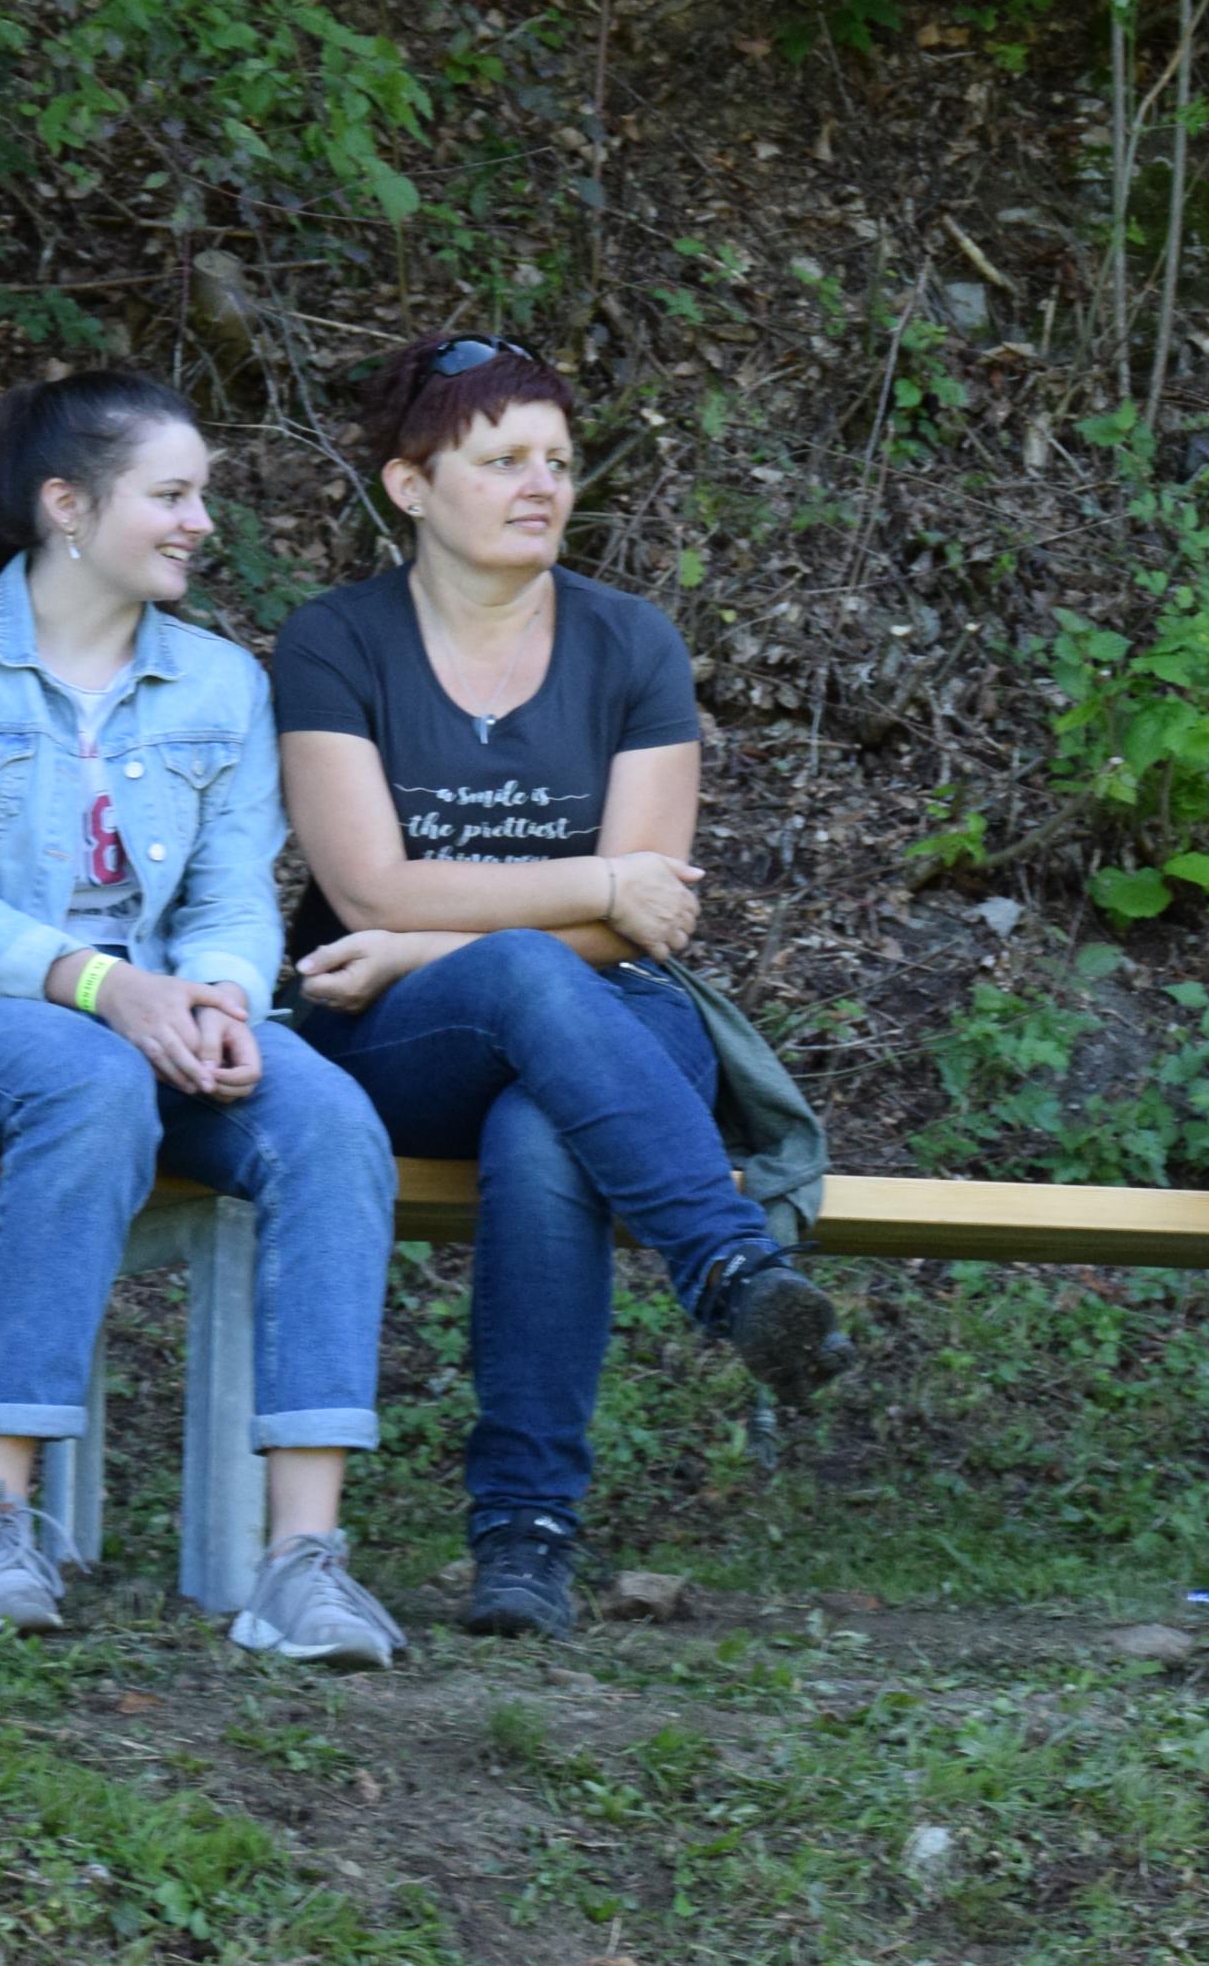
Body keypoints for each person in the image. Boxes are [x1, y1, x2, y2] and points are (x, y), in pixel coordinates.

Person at [0, 370, 406, 1662]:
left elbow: (232, 895)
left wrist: (223, 998)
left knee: (328, 1119)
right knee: (82, 1080)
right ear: (67, 505)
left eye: (202, 495)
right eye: (172, 495)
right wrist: (106, 988)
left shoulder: (219, 685)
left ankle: (302, 1562)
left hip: (156, 1033)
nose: (203, 522)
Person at [276, 335, 844, 1641]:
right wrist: (576, 890)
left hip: (609, 1018)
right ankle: (727, 1264)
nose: (542, 485)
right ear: (411, 485)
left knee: (545, 1126)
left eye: (558, 461)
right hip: (391, 1028)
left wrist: (447, 935)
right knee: (529, 974)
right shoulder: (334, 641)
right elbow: (369, 886)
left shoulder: (629, 642)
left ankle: (524, 1542)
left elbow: (645, 920)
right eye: (502, 461)